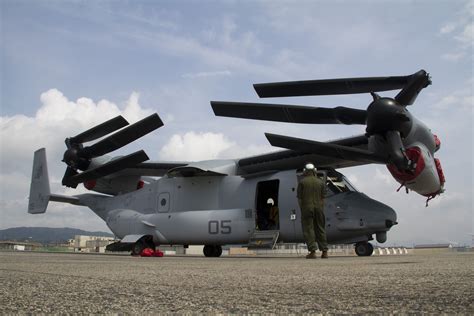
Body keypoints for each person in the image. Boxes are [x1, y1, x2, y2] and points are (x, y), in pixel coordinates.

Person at [297, 163, 329, 259]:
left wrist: (302, 209)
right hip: (319, 208)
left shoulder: (302, 182)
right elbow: (323, 198)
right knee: (320, 228)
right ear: (314, 171)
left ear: (305, 171)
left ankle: (313, 251)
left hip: (307, 208)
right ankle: (324, 252)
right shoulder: (321, 182)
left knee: (308, 229)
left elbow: (300, 199)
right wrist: (320, 208)